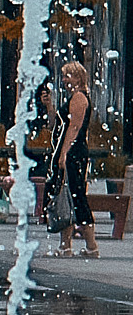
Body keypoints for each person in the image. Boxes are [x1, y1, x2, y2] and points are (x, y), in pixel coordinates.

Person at [51, 61, 101, 259]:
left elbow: (74, 128)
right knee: (68, 196)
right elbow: (59, 124)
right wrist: (49, 106)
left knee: (76, 196)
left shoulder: (79, 98)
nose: (63, 80)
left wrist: (63, 152)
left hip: (74, 152)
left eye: (67, 76)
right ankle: (66, 245)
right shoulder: (73, 98)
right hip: (72, 151)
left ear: (79, 78)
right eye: (63, 76)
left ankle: (91, 245)